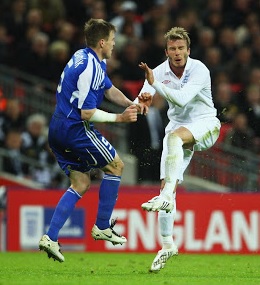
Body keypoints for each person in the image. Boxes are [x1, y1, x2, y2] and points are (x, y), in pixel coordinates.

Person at [39, 18, 148, 262]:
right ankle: (101, 226)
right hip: (73, 128)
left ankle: (51, 237)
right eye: (111, 41)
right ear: (102, 42)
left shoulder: (88, 57)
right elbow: (86, 112)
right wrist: (119, 119)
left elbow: (108, 89)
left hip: (57, 128)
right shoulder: (89, 67)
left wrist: (133, 104)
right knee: (117, 166)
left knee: (80, 183)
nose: (114, 44)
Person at [137, 27, 221, 271]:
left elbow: (182, 99)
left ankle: (164, 199)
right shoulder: (159, 71)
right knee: (167, 186)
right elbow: (143, 96)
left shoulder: (199, 69)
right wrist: (134, 106)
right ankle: (167, 245)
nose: (177, 52)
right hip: (177, 128)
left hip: (205, 123)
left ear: (188, 50)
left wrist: (156, 85)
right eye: (172, 49)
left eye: (181, 48)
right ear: (166, 52)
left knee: (173, 139)